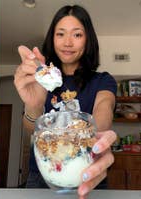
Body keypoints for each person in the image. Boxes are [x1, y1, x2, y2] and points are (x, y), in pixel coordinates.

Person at [14, 5, 117, 199]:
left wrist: (96, 142)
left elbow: (104, 109)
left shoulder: (102, 80)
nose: (68, 42)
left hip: (89, 170)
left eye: (77, 35)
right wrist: (34, 105)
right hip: (42, 175)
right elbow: (31, 131)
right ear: (52, 39)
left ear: (88, 40)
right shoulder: (40, 80)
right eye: (60, 34)